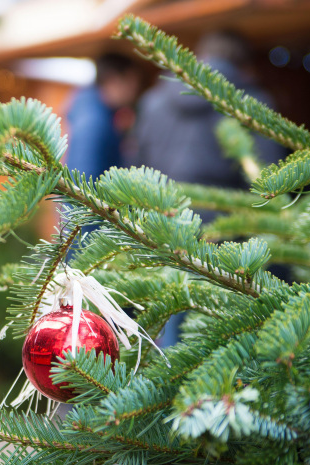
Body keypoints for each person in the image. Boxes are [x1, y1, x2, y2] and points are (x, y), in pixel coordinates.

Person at [132, 31, 285, 346]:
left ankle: (167, 392)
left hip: (163, 232)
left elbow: (138, 164)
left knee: (170, 330)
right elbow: (270, 185)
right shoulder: (251, 103)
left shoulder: (152, 101)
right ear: (242, 66)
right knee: (226, 342)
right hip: (230, 242)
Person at [63, 52, 142, 255]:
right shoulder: (94, 123)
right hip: (89, 243)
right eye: (132, 82)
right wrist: (98, 249)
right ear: (114, 80)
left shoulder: (95, 114)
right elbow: (82, 189)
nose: (135, 90)